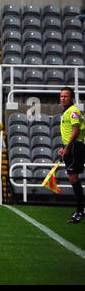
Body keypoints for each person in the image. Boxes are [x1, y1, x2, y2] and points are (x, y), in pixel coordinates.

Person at [59, 86, 84, 223]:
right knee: (73, 179)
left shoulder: (73, 111)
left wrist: (67, 147)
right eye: (61, 96)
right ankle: (80, 209)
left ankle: (80, 211)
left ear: (72, 97)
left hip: (74, 147)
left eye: (66, 96)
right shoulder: (67, 111)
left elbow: (75, 130)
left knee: (73, 179)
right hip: (70, 147)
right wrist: (63, 147)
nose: (63, 98)